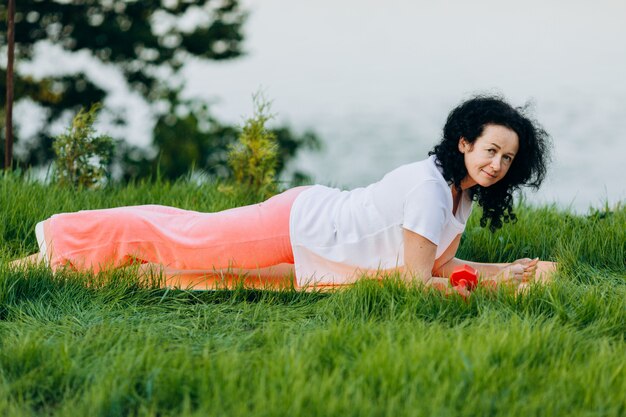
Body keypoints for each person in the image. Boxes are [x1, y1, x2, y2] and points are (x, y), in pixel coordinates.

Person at [10, 95, 556, 295]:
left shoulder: (457, 198)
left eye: (507, 158)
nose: (496, 164)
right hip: (299, 223)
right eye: (489, 150)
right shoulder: (430, 190)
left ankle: (70, 263)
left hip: (314, 238)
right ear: (464, 142)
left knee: (194, 255)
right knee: (185, 236)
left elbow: (438, 264)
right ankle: (60, 243)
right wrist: (486, 286)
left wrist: (505, 270)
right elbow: (419, 283)